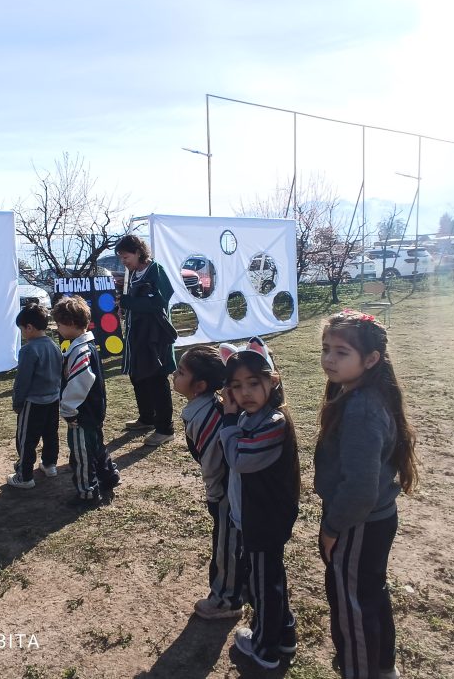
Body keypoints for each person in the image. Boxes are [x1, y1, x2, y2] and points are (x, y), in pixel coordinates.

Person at [315, 310, 420, 679]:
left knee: (351, 604)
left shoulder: (361, 407)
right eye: (326, 348)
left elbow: (359, 488)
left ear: (371, 359)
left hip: (357, 522)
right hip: (375, 519)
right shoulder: (359, 390)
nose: (329, 358)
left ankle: (359, 670)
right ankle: (382, 665)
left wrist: (331, 528)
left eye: (342, 352)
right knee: (370, 592)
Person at [218, 336, 300, 670]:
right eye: (236, 386)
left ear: (273, 380)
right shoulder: (250, 417)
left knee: (264, 585)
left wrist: (227, 420)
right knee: (267, 579)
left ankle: (265, 648)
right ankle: (285, 633)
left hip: (264, 519)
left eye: (254, 383)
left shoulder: (273, 423)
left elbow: (239, 459)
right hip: (251, 515)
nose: (245, 392)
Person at [173, 345, 245, 620]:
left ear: (200, 385)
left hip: (229, 492)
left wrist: (215, 496)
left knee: (226, 544)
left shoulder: (205, 416)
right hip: (228, 489)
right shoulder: (202, 408)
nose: (174, 375)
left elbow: (214, 465)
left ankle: (227, 600)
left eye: (180, 372)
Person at [53, 296, 120, 506]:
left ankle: (87, 493)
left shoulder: (80, 351)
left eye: (59, 324)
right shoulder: (86, 345)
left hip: (81, 415)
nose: (58, 328)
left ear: (71, 324)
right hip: (93, 412)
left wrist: (68, 410)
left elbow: (80, 383)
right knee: (96, 446)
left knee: (82, 456)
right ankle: (109, 476)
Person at [115, 234, 178, 446]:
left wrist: (130, 302)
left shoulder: (155, 270)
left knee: (157, 379)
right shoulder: (133, 273)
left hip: (154, 337)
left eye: (126, 256)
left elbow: (160, 301)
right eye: (121, 258)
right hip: (137, 335)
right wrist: (125, 305)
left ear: (139, 252)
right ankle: (147, 417)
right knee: (138, 376)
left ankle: (165, 428)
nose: (123, 261)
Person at [7, 304, 63, 489]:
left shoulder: (29, 350)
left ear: (29, 327)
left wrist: (18, 402)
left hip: (34, 403)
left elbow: (22, 380)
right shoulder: (55, 346)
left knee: (26, 440)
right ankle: (50, 465)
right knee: (50, 434)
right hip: (53, 400)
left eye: (22, 329)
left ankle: (24, 476)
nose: (22, 333)